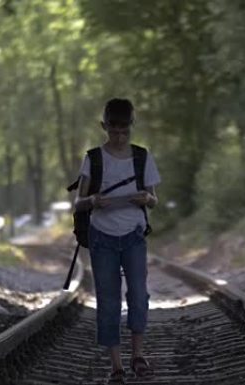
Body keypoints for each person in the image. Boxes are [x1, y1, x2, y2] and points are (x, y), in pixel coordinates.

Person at [73, 98, 160, 384]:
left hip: (133, 235)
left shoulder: (142, 157)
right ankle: (116, 366)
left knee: (138, 295)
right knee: (108, 300)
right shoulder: (94, 158)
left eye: (125, 131)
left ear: (132, 127)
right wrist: (93, 200)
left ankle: (138, 355)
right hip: (102, 237)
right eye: (114, 131)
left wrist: (146, 198)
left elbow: (154, 198)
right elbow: (79, 202)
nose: (120, 137)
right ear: (104, 126)